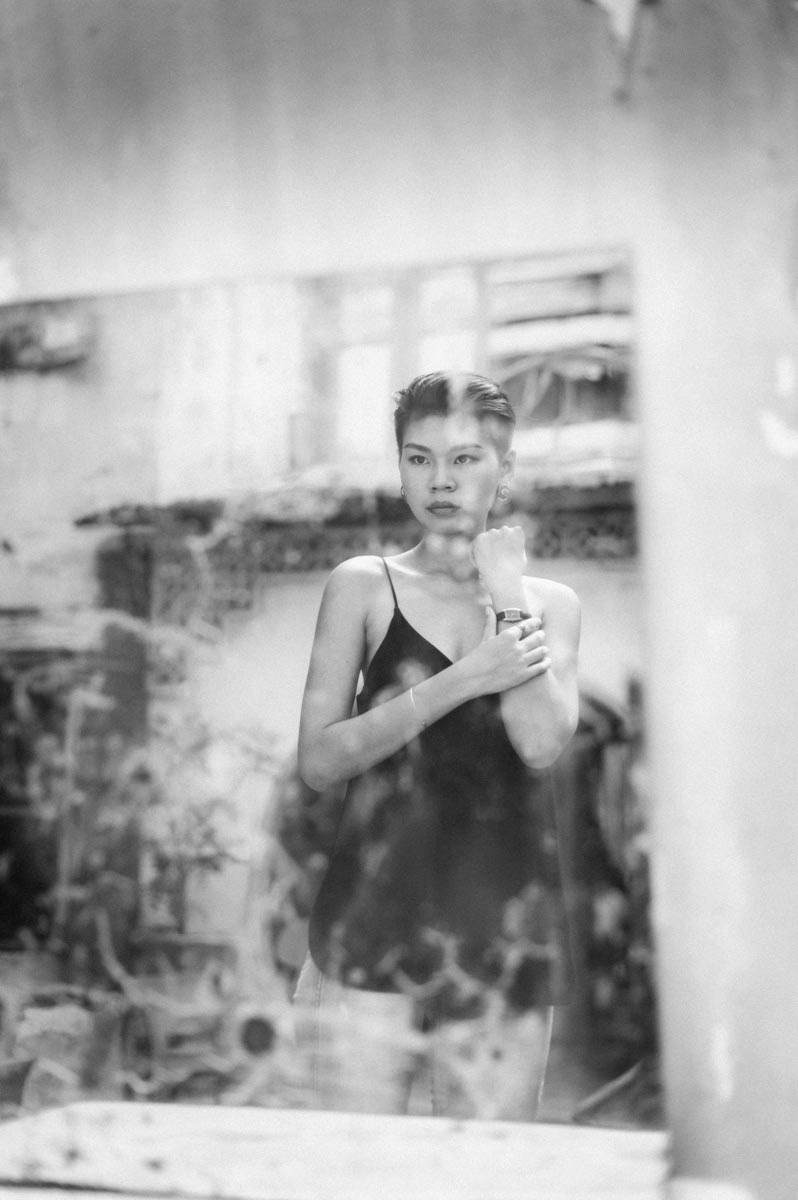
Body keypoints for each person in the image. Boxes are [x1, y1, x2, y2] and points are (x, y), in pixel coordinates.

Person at [292, 371, 580, 1119]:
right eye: (419, 458)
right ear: (400, 469)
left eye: (465, 458)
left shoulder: (550, 606)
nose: (440, 480)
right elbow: (320, 762)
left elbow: (540, 743)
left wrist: (508, 596)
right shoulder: (363, 586)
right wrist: (466, 679)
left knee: (486, 1173)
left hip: (501, 944)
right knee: (354, 1170)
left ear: (505, 469)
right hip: (367, 930)